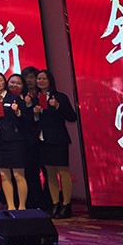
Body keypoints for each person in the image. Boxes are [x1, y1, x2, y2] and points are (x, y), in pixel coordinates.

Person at [33, 70, 77, 218]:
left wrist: (58, 106)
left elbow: (72, 117)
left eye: (44, 79)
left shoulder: (60, 97)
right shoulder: (35, 98)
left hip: (58, 139)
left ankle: (66, 204)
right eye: (39, 79)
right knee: (50, 173)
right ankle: (55, 203)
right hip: (43, 140)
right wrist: (35, 113)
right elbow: (35, 121)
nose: (41, 81)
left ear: (50, 81)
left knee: (63, 172)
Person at [0, 73, 28, 211]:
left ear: (5, 82)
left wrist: (17, 112)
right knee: (4, 176)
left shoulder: (14, 98)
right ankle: (11, 206)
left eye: (0, 80)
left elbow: (26, 119)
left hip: (15, 140)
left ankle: (22, 207)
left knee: (18, 175)